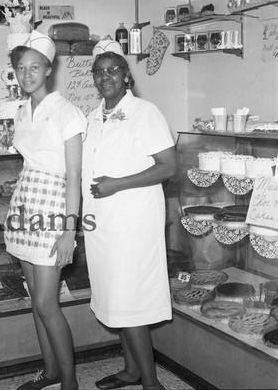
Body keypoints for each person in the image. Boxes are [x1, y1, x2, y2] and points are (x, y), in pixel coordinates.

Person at [82, 40, 176, 390]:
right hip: (102, 224)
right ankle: (131, 370)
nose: (105, 76)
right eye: (99, 71)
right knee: (115, 298)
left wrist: (118, 184)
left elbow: (168, 167)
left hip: (132, 224)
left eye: (113, 70)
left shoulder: (145, 112)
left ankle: (151, 383)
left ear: (127, 77)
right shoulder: (93, 117)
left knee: (130, 300)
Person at [4, 31, 87, 390]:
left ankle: (69, 382)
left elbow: (74, 176)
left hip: (53, 211)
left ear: (49, 69)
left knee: (46, 301)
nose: (27, 74)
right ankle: (50, 371)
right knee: (34, 301)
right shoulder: (22, 111)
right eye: (21, 68)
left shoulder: (67, 112)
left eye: (34, 67)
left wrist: (69, 231)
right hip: (24, 207)